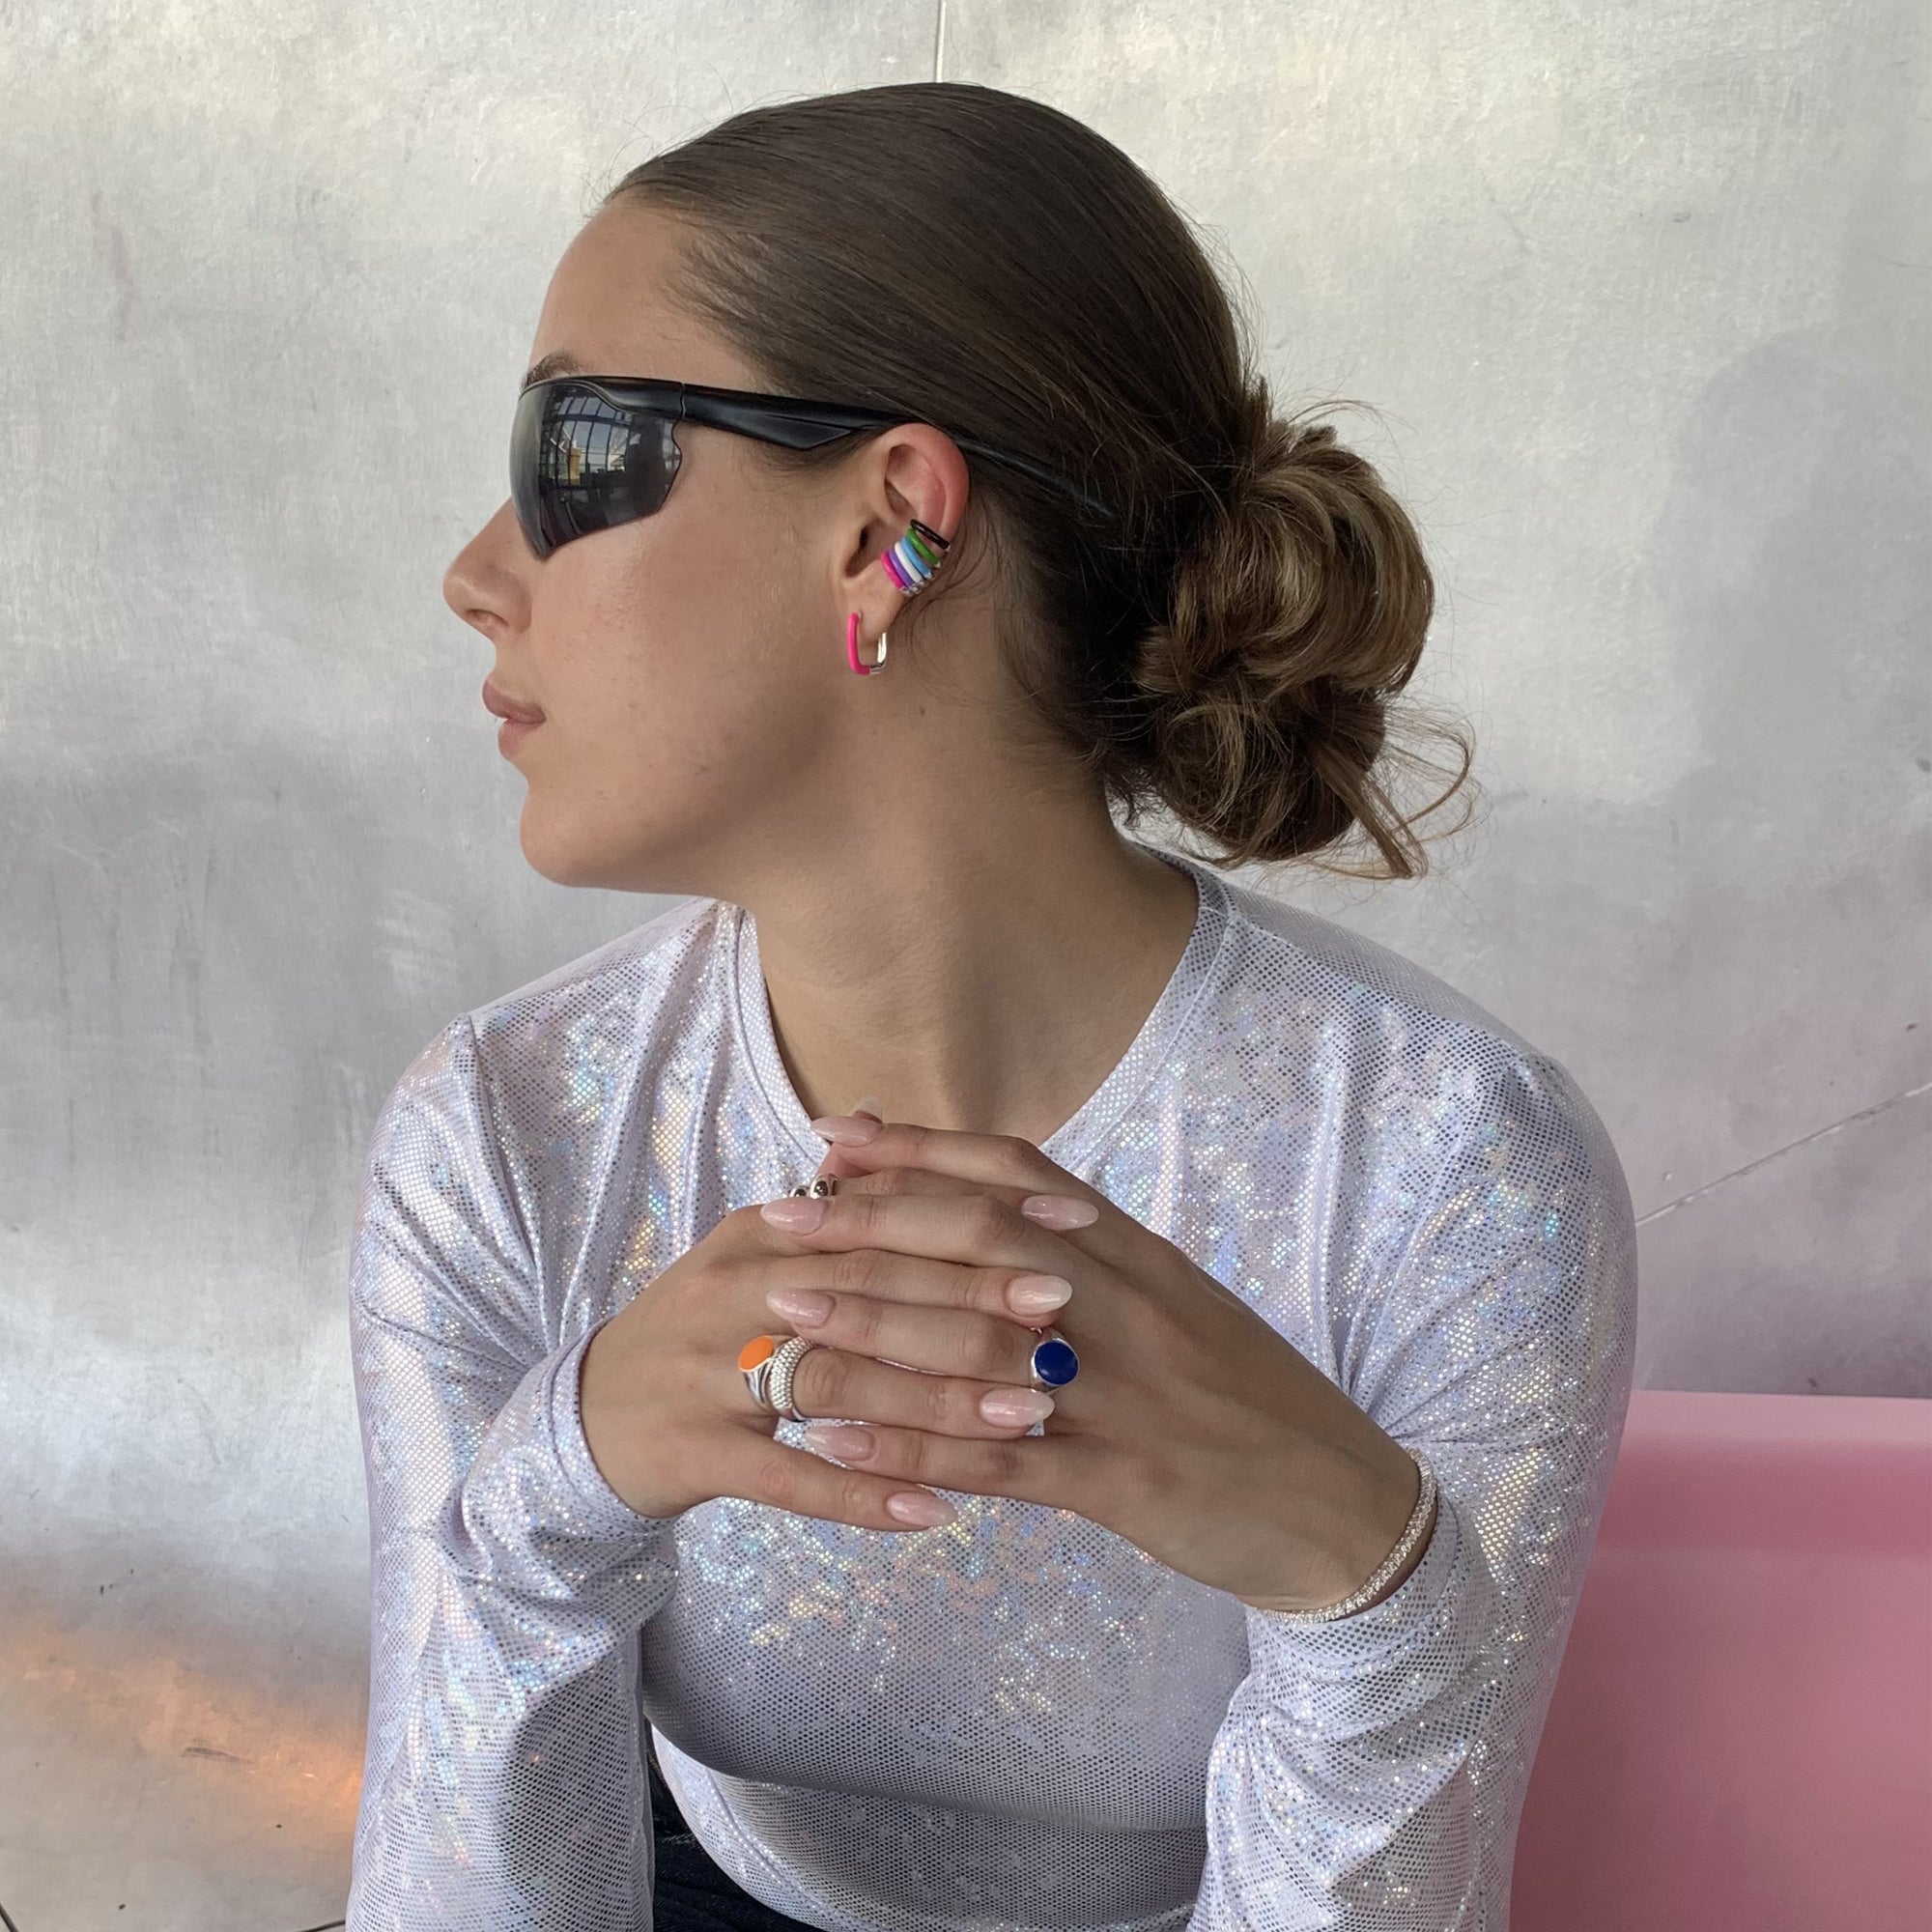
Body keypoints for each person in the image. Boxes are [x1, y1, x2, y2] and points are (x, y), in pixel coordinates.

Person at [344, 80, 1636, 1932]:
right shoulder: (506, 1132)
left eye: (580, 452)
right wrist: (549, 1497)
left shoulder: (1450, 1166)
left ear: (892, 531)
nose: (477, 576)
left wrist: (1379, 1597)